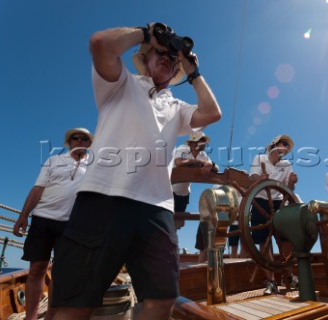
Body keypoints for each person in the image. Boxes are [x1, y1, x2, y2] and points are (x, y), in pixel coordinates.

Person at [51, 21, 221, 320]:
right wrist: (147, 34)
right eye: (160, 53)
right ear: (145, 59)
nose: (167, 58)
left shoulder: (177, 107)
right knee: (73, 307)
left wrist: (194, 74)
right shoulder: (120, 83)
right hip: (103, 198)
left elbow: (211, 113)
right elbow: (100, 43)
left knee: (161, 301)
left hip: (156, 209)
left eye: (173, 57)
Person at [13, 128, 93, 320]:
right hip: (42, 219)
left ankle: (50, 315)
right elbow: (38, 188)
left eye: (84, 138)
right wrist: (23, 215)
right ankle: (30, 317)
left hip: (71, 224)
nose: (79, 140)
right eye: (76, 137)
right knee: (36, 269)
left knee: (60, 272)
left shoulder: (95, 165)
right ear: (70, 142)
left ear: (89, 144)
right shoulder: (53, 161)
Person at [249, 134, 298, 295]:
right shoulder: (260, 158)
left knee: (287, 239)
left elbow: (288, 190)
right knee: (264, 242)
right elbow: (253, 178)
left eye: (288, 146)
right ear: (274, 144)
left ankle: (289, 276)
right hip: (260, 201)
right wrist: (259, 179)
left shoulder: (287, 165)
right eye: (283, 144)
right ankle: (271, 281)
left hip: (279, 203)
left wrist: (291, 182)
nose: (285, 147)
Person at [171, 131, 219, 262]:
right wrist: (196, 162)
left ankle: (170, 253)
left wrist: (210, 165)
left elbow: (217, 169)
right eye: (200, 141)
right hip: (169, 191)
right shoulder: (183, 149)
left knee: (176, 225)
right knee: (166, 224)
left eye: (204, 141)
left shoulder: (203, 155)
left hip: (183, 193)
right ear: (192, 143)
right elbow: (179, 162)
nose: (203, 144)